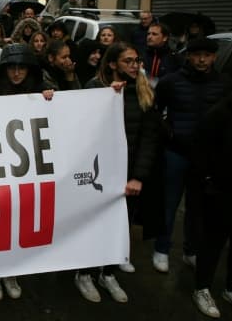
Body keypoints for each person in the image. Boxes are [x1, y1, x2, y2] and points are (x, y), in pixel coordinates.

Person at [80, 42, 161, 300]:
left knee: (121, 224)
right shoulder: (95, 88)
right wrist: (108, 97)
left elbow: (149, 137)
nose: (134, 66)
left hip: (129, 173)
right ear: (113, 64)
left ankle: (109, 273)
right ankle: (85, 273)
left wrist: (138, 176)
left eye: (136, 60)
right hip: (100, 172)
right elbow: (80, 126)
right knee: (94, 223)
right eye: (128, 61)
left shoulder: (144, 92)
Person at [152, 38, 232, 274]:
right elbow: (155, 111)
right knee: (169, 204)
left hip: (207, 157)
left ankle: (191, 251)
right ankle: (162, 249)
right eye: (197, 55)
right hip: (176, 152)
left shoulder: (224, 84)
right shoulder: (171, 82)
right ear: (188, 56)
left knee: (198, 208)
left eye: (207, 55)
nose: (201, 59)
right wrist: (168, 132)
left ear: (214, 57)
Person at [0, 43, 53, 302]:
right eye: (11, 68)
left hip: (26, 170)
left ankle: (10, 271)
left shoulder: (40, 93)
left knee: (17, 223)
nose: (16, 73)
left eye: (22, 68)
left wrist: (50, 100)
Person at [190, 62, 232, 319]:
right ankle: (202, 288)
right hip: (223, 191)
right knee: (212, 243)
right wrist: (207, 182)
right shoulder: (222, 112)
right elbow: (201, 149)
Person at [144, 22, 181, 87]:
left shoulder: (175, 58)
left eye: (154, 34)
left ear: (165, 38)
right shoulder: (143, 55)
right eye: (148, 34)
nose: (149, 37)